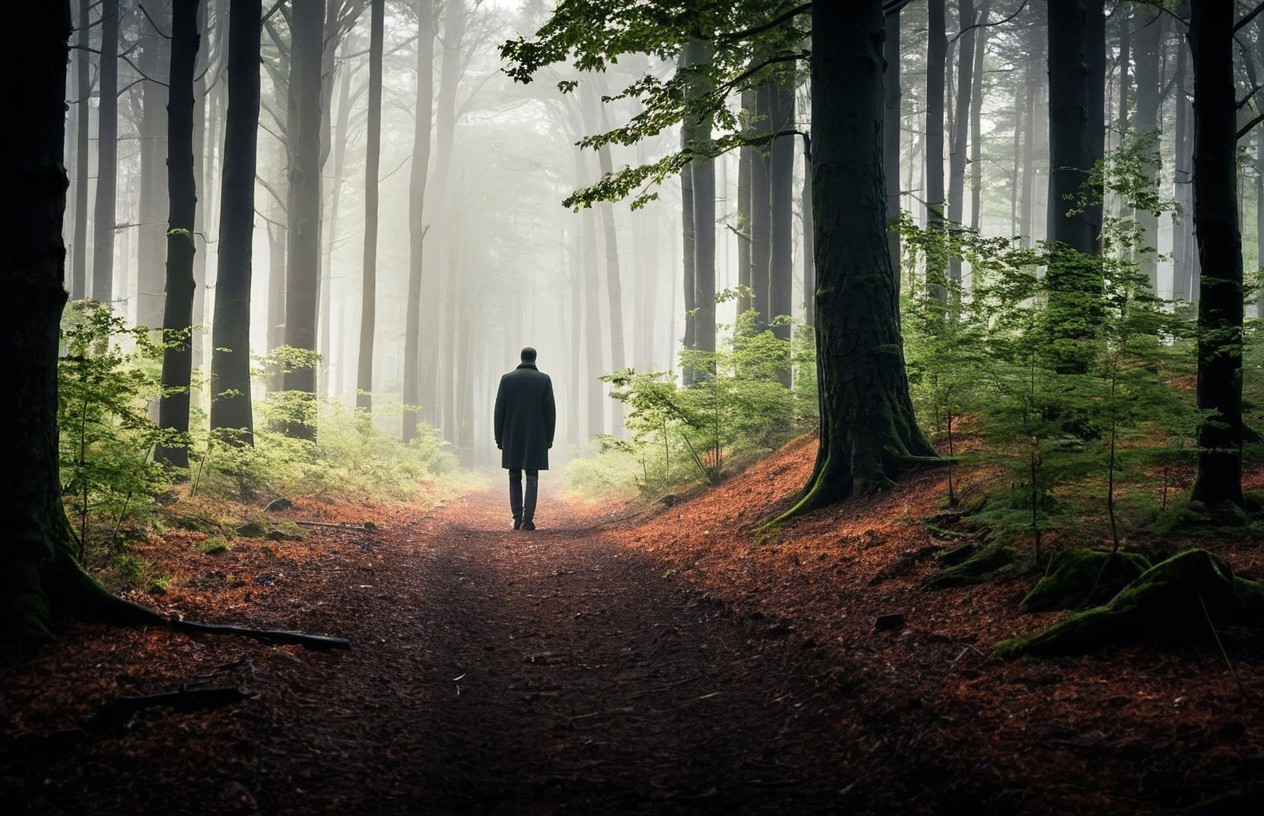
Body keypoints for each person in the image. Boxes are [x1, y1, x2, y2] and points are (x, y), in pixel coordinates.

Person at [494, 347, 557, 531]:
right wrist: (549, 437)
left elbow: (499, 410)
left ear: (521, 358)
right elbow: (550, 411)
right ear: (535, 359)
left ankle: (516, 519)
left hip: (512, 434)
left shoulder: (507, 379)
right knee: (532, 476)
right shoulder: (544, 380)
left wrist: (499, 437)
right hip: (536, 435)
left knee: (514, 476)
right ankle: (528, 520)